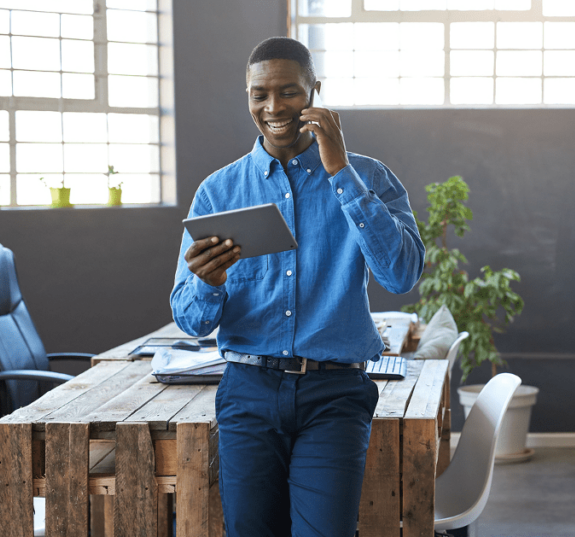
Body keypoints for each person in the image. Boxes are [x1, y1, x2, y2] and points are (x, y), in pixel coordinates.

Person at [169, 36, 425, 537]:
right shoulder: (219, 191)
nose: (272, 107)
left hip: (335, 393)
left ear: (315, 92)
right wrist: (209, 283)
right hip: (248, 391)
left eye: (288, 91)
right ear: (247, 95)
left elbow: (401, 276)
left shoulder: (370, 177)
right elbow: (190, 318)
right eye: (258, 94)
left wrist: (340, 172)